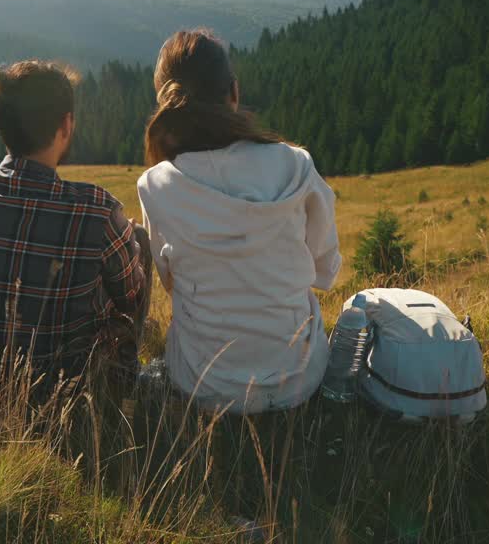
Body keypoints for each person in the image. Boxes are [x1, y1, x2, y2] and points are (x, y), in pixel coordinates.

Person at [136, 30, 341, 414]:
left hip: (203, 384)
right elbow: (325, 271)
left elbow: (170, 284)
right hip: (299, 380)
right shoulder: (295, 166)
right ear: (234, 91)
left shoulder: (155, 185)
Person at [0, 60, 150, 394]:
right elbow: (131, 298)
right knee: (136, 239)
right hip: (72, 394)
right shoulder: (96, 210)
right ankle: (128, 384)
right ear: (65, 125)